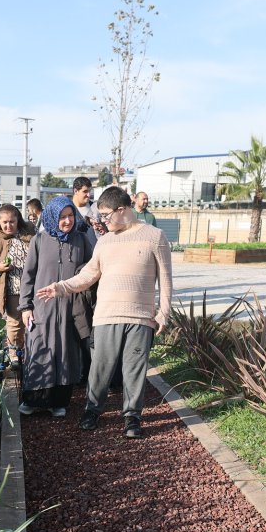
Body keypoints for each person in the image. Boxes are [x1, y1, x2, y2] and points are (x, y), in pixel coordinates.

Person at [35, 185, 173, 439]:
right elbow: (88, 275)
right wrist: (60, 287)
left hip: (141, 316)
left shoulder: (155, 236)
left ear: (122, 210)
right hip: (106, 315)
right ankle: (92, 410)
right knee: (100, 366)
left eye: (106, 215)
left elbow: (166, 279)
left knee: (134, 368)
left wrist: (164, 312)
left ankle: (132, 416)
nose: (102, 221)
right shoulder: (105, 241)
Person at [19, 196, 94, 418]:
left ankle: (59, 402)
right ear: (52, 217)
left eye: (70, 216)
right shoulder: (39, 241)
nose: (67, 221)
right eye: (62, 217)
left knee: (66, 353)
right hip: (43, 308)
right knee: (40, 350)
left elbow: (91, 269)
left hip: (71, 308)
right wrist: (26, 307)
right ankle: (33, 400)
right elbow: (28, 276)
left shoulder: (81, 240)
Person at [0, 204, 35, 368]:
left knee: (32, 322)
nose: (8, 226)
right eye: (5, 222)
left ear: (18, 220)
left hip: (32, 288)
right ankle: (14, 354)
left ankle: (31, 352)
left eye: (12, 222)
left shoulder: (29, 236)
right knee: (14, 323)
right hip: (12, 290)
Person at [71, 176, 107, 246]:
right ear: (76, 191)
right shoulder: (68, 209)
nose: (88, 195)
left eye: (89, 191)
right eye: (85, 191)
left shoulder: (96, 207)